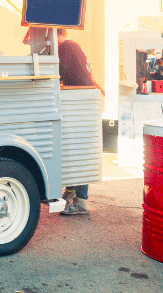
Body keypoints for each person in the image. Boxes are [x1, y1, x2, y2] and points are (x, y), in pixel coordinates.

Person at [57, 28, 104, 215]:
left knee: (78, 149)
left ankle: (81, 201)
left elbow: (57, 74)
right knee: (74, 147)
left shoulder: (65, 48)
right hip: (85, 99)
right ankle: (70, 192)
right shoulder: (73, 46)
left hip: (80, 101)